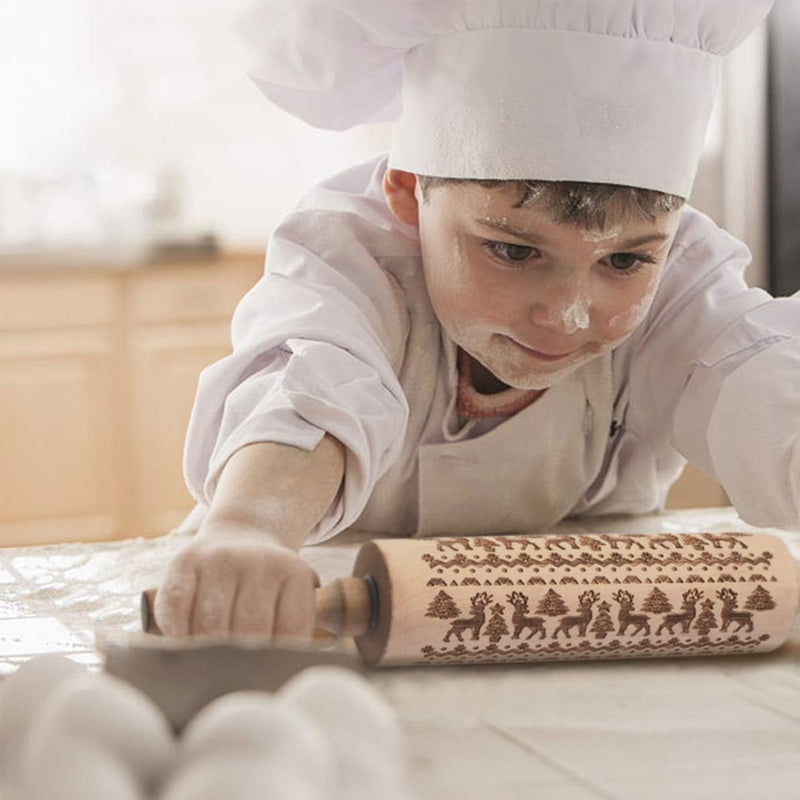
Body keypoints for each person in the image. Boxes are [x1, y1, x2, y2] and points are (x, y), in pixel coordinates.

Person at [154, 0, 798, 640]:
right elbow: (315, 386)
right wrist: (250, 528)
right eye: (515, 251)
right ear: (407, 190)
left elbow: (745, 372)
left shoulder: (682, 278)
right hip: (313, 619)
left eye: (625, 260)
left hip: (572, 634)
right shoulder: (352, 257)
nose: (567, 317)